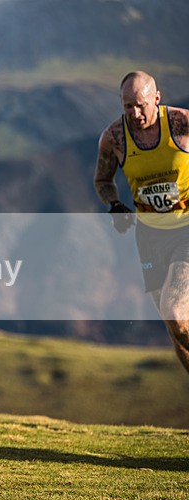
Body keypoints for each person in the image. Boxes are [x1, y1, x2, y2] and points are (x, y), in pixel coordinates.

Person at [93, 71, 189, 375]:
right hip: (150, 237)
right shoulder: (114, 138)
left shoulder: (181, 125)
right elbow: (102, 180)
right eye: (128, 106)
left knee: (176, 313)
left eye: (141, 105)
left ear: (157, 99)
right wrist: (115, 205)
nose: (135, 113)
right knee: (175, 329)